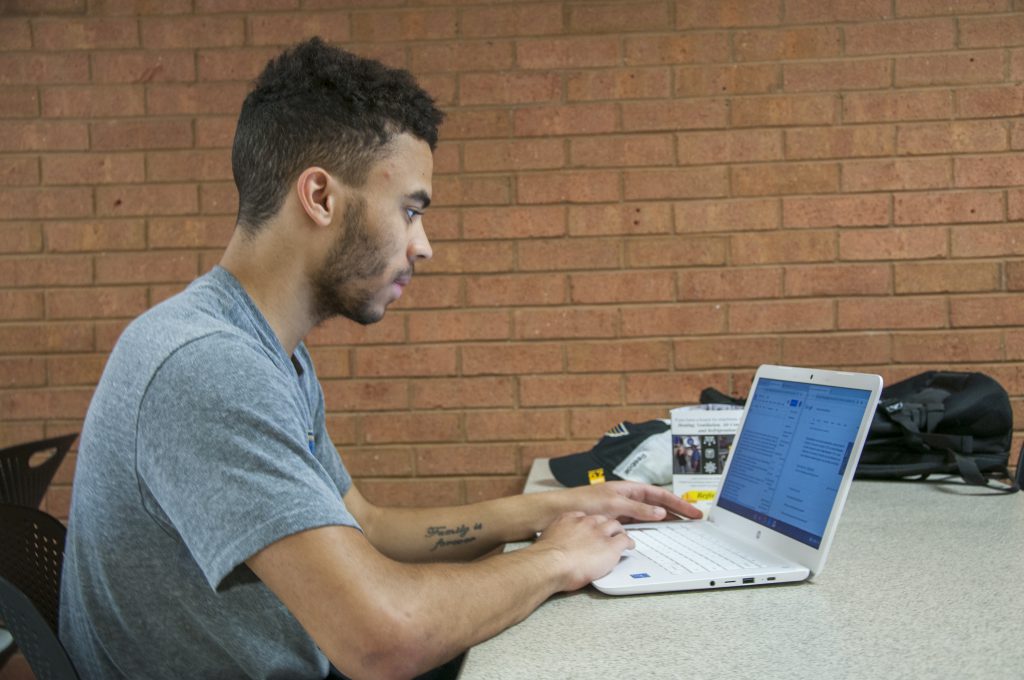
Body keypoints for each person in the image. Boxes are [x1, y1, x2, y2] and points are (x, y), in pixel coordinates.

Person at [59, 37, 701, 680]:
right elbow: (383, 640)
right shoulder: (205, 367)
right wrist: (555, 560)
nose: (424, 246)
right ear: (320, 197)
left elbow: (362, 523)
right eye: (411, 210)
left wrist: (553, 511)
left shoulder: (266, 350)